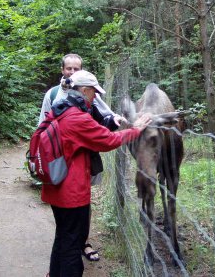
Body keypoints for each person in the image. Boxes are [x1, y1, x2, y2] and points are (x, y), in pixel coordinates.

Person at [42, 70, 151, 277]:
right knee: (74, 243)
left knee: (64, 236)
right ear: (84, 90)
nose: (95, 97)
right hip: (71, 193)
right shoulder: (77, 118)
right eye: (94, 93)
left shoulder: (60, 109)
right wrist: (135, 130)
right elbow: (108, 140)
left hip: (56, 188)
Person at [39, 54, 123, 261]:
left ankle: (81, 242)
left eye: (77, 68)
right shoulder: (54, 95)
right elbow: (43, 126)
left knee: (79, 210)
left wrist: (113, 121)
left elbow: (105, 115)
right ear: (62, 70)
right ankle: (73, 245)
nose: (73, 72)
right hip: (64, 165)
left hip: (84, 159)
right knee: (71, 217)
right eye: (69, 68)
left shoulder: (87, 93)